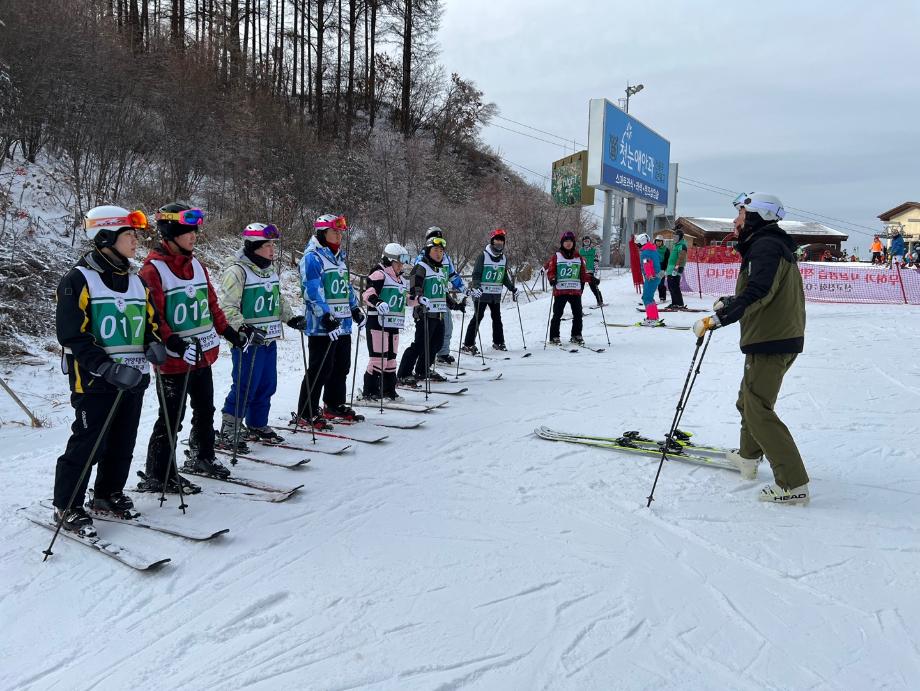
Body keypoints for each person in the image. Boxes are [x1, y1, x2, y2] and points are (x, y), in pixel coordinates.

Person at [52, 206, 165, 535]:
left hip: (133, 377)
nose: (135, 241)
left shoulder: (136, 282)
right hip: (94, 381)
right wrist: (104, 366)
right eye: (128, 235)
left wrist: (153, 344)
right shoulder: (78, 280)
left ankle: (107, 493)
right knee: (89, 443)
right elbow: (72, 335)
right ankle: (67, 505)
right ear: (105, 238)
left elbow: (149, 324)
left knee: (123, 441)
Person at [693, 192, 809, 505]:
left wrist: (719, 318)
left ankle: (793, 484)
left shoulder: (766, 245)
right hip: (773, 335)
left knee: (758, 409)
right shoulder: (769, 244)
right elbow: (762, 288)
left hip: (772, 339)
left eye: (741, 214)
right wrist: (731, 301)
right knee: (748, 401)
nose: (735, 221)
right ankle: (748, 456)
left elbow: (760, 290)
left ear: (758, 216)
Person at [137, 203, 251, 494]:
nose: (194, 235)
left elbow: (211, 305)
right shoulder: (152, 270)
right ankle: (158, 473)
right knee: (171, 419)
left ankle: (202, 455)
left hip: (202, 355)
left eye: (195, 230)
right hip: (173, 361)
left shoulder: (197, 265)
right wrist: (174, 343)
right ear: (170, 233)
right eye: (187, 231)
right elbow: (154, 317)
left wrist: (230, 332)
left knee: (205, 410)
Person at [217, 223, 303, 451]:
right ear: (254, 247)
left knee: (267, 383)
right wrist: (243, 328)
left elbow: (277, 299)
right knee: (245, 384)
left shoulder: (269, 271)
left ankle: (257, 423)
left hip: (268, 339)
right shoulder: (237, 271)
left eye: (273, 245)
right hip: (247, 342)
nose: (272, 250)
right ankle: (230, 428)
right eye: (267, 246)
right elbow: (227, 307)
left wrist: (291, 318)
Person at [293, 214, 366, 429]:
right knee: (320, 369)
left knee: (341, 367)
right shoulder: (312, 257)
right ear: (322, 233)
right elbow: (311, 291)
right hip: (323, 326)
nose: (339, 235)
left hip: (342, 324)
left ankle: (333, 404)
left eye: (340, 232)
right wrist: (325, 316)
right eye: (334, 231)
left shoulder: (338, 257)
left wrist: (355, 309)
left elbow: (346, 287)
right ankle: (306, 412)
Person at [398, 236, 465, 384]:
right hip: (425, 314)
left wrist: (456, 305)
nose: (439, 253)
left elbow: (442, 293)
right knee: (420, 344)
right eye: (435, 250)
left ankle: (423, 370)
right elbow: (415, 288)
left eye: (441, 251)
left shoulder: (440, 269)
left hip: (438, 314)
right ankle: (403, 374)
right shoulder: (421, 266)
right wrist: (419, 298)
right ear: (428, 251)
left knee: (436, 344)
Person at [360, 243, 417, 401]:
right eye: (398, 263)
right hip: (378, 323)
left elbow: (403, 299)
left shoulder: (400, 279)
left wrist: (418, 300)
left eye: (402, 263)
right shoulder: (379, 274)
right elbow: (368, 294)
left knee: (391, 360)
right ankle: (370, 391)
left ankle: (388, 390)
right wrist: (377, 302)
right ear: (389, 261)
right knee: (379, 359)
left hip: (393, 324)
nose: (401, 266)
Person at [461, 228, 518, 354]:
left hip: (495, 294)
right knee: (478, 317)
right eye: (497, 240)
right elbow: (476, 274)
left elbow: (503, 276)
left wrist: (512, 288)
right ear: (492, 241)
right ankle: (468, 344)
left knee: (497, 318)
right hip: (482, 294)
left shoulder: (503, 258)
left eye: (501, 241)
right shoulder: (483, 256)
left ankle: (499, 342)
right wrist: (477, 287)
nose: (499, 243)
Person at [416, 227, 465, 366]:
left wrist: (464, 289)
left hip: (442, 297)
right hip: (428, 300)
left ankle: (442, 353)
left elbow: (452, 275)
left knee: (447, 327)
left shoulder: (445, 257)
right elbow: (418, 278)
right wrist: (418, 296)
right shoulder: (422, 257)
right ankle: (425, 360)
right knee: (428, 333)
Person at [546, 230, 590, 344]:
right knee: (557, 314)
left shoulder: (578, 257)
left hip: (575, 290)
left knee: (578, 314)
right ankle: (554, 336)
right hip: (561, 290)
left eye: (570, 241)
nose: (568, 243)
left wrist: (592, 279)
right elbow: (551, 271)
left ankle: (576, 335)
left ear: (573, 243)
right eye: (566, 241)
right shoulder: (557, 256)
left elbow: (583, 274)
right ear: (562, 243)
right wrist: (552, 278)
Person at [637, 232, 665, 326]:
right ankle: (654, 317)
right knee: (649, 297)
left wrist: (649, 275)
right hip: (657, 275)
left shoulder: (645, 252)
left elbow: (647, 263)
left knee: (646, 297)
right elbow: (659, 259)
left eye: (638, 244)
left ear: (642, 243)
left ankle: (652, 318)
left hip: (652, 277)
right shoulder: (653, 249)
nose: (638, 247)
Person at [666, 226, 689, 309]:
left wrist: (676, 267)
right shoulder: (676, 245)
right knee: (671, 287)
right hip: (671, 269)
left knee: (674, 286)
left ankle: (679, 304)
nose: (674, 238)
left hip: (675, 269)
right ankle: (674, 303)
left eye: (676, 237)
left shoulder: (682, 245)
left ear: (680, 237)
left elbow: (681, 258)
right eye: (674, 237)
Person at [579, 235, 605, 306]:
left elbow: (596, 260)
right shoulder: (580, 250)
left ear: (590, 242)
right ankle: (578, 304)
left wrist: (595, 270)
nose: (586, 242)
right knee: (580, 289)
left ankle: (600, 301)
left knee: (594, 288)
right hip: (582, 272)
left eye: (588, 241)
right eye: (585, 241)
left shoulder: (593, 250)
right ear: (583, 242)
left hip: (590, 271)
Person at [654, 235, 670, 302]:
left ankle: (662, 297)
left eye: (660, 241)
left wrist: (665, 269)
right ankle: (649, 298)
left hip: (661, 268)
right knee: (652, 284)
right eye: (657, 241)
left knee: (660, 283)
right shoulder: (652, 248)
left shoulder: (666, 249)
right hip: (653, 268)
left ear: (662, 242)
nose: (658, 242)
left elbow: (667, 260)